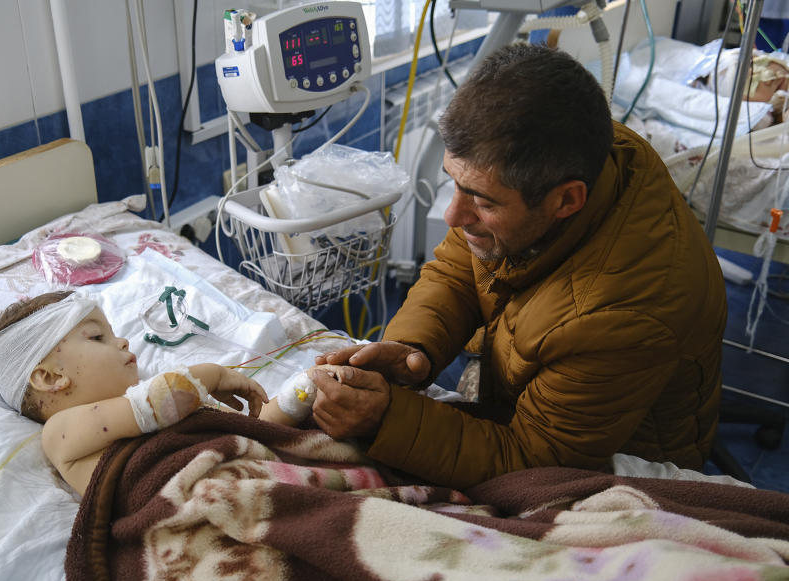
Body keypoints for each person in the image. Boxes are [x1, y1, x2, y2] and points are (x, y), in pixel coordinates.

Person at [311, 43, 727, 490]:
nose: (452, 216)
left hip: (619, 467)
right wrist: (413, 350)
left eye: (482, 201)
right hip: (536, 399)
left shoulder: (624, 313)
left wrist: (387, 420)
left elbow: (536, 461)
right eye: (455, 183)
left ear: (566, 200)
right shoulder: (567, 150)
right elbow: (457, 270)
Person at [0, 291, 318, 495]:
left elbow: (256, 443)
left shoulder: (169, 405)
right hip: (191, 498)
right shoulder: (60, 432)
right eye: (97, 337)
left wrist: (301, 394)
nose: (123, 341)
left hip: (248, 476)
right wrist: (212, 376)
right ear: (50, 377)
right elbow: (161, 401)